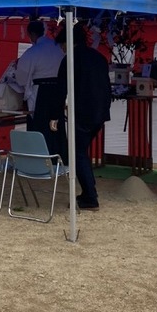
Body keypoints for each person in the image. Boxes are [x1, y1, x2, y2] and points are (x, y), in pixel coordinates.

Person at [53, 21, 111, 211]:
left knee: (77, 153)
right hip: (99, 113)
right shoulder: (99, 57)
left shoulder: (70, 59)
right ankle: (89, 191)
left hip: (82, 113)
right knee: (81, 152)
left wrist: (55, 116)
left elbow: (60, 91)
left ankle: (90, 196)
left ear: (66, 43)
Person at [10, 19, 65, 157]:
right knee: (56, 124)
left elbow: (21, 76)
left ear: (31, 34)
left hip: (41, 92)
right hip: (58, 90)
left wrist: (17, 71)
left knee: (41, 124)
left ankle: (40, 157)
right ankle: (58, 155)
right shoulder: (57, 47)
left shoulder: (33, 51)